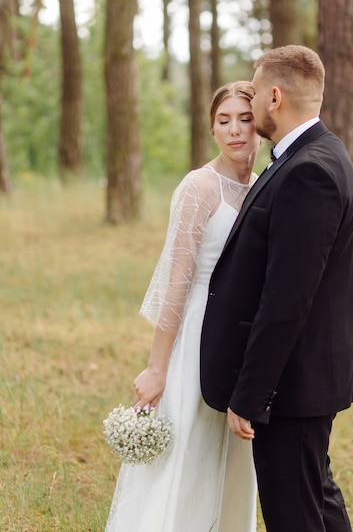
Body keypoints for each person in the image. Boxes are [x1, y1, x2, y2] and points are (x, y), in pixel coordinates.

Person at [200, 45, 353, 532]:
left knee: (295, 512)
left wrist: (251, 394)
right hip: (307, 376)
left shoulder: (307, 171)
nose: (248, 103)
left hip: (294, 383)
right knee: (317, 498)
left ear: (275, 96)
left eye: (252, 90)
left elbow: (287, 299)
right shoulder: (314, 155)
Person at [105, 81, 261, 532]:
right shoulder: (198, 187)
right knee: (187, 449)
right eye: (223, 120)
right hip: (195, 332)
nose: (235, 131)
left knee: (233, 453)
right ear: (211, 128)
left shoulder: (262, 186)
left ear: (261, 126)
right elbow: (177, 282)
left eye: (245, 119)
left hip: (241, 338)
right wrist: (157, 367)